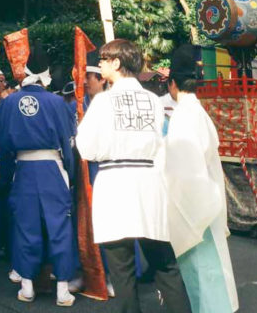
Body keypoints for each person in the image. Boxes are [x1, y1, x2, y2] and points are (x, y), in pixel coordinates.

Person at [76, 39, 190, 313]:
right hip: (149, 182)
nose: (100, 64)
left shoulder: (102, 102)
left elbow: (86, 148)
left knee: (122, 272)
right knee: (165, 265)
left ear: (116, 62)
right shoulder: (153, 100)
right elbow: (161, 143)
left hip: (115, 182)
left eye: (103, 59)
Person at [0, 46, 77, 306]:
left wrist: (5, 178)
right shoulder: (57, 102)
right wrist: (70, 176)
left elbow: (3, 146)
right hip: (52, 168)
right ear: (46, 75)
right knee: (60, 227)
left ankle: (27, 286)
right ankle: (63, 288)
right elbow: (68, 142)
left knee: (25, 227)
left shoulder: (7, 103)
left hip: (23, 169)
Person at [163, 45, 238, 312]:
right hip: (207, 199)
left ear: (172, 83)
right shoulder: (198, 111)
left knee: (203, 276)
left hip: (195, 208)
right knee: (212, 273)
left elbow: (184, 171)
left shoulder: (183, 115)